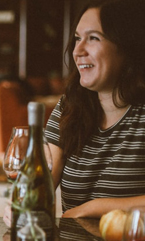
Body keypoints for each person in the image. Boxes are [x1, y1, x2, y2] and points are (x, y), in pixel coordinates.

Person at [45, 0, 145, 217]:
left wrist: (91, 209)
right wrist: (23, 203)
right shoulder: (69, 106)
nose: (77, 50)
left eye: (93, 38)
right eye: (77, 38)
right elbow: (41, 183)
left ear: (126, 46)